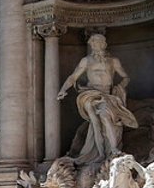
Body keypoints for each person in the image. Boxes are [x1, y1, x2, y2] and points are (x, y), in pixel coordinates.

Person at [58, 31, 139, 165]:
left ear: (104, 44)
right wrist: (63, 90)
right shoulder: (86, 61)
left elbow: (126, 77)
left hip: (107, 94)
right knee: (96, 122)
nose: (95, 45)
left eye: (98, 42)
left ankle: (112, 150)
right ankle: (103, 152)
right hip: (90, 94)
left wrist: (119, 87)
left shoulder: (113, 61)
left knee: (104, 116)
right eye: (93, 42)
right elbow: (73, 77)